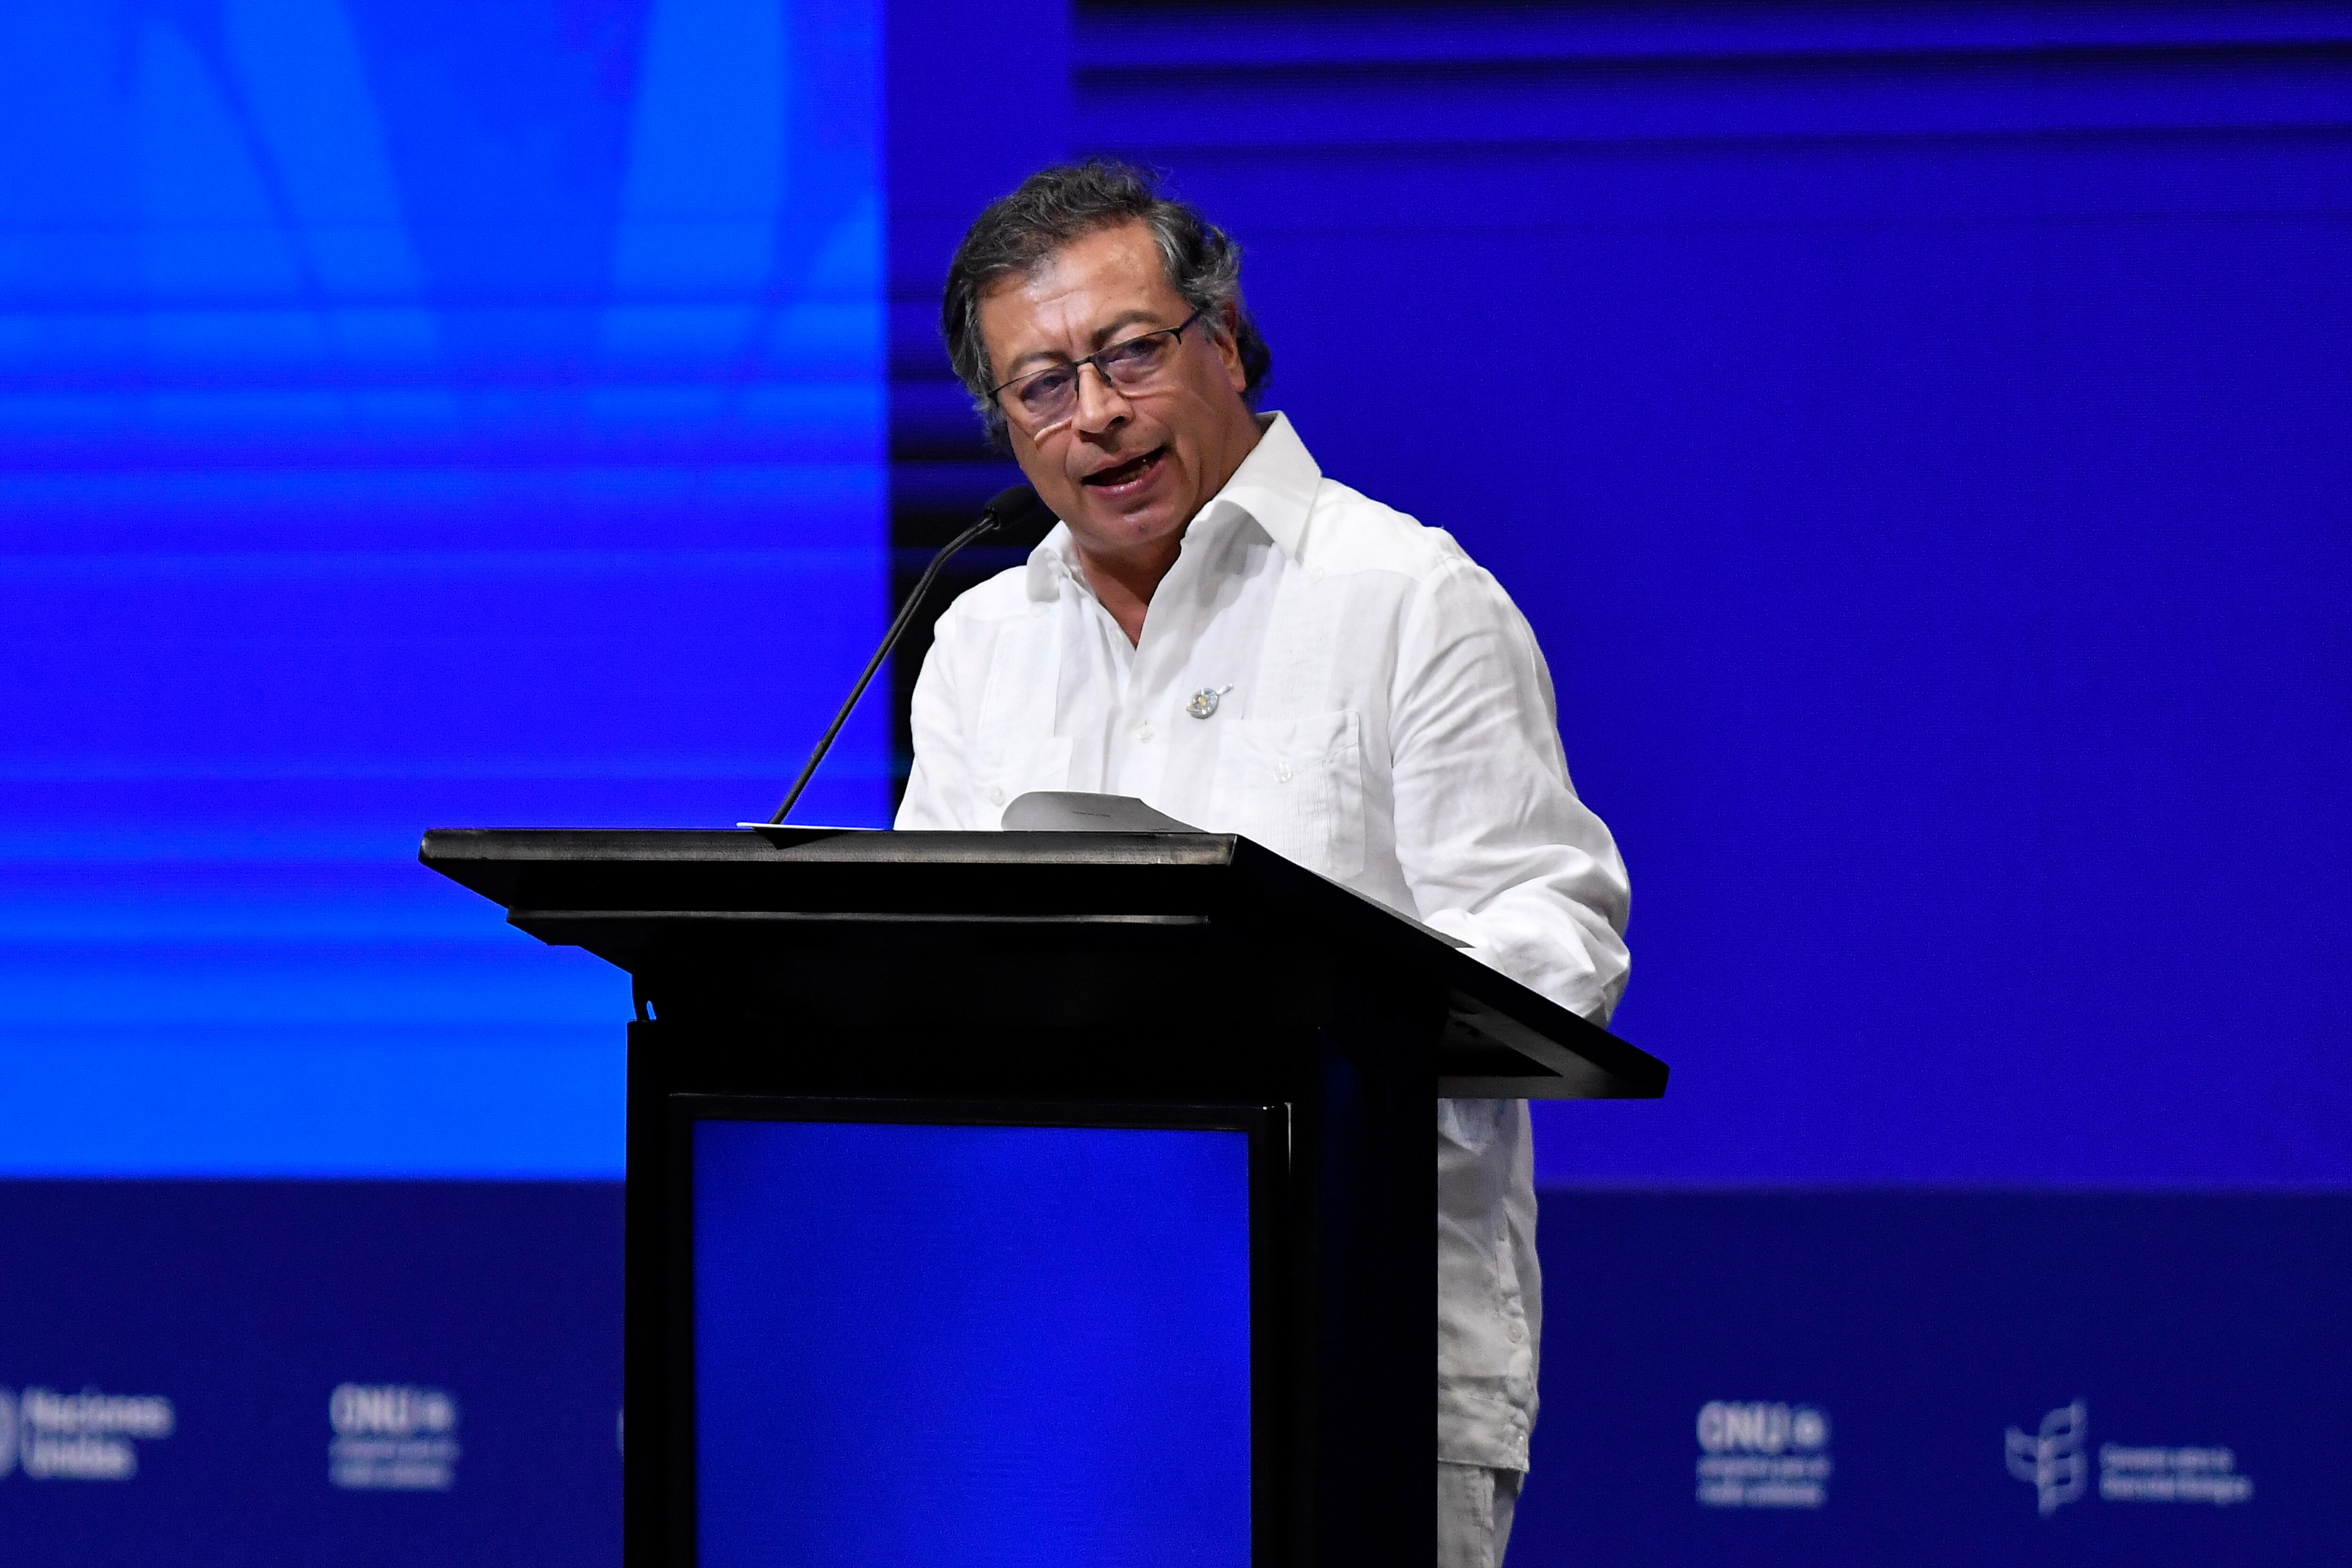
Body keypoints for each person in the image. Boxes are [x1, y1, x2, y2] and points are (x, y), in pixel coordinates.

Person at [897, 159, 1631, 1568]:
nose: (1096, 411)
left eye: (1130, 353)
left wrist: (1310, 1009)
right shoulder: (982, 644)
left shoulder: (1408, 600)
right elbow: (933, 972)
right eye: (1043, 383)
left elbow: (1556, 935)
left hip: (1352, 1344)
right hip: (1053, 1371)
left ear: (1224, 342)